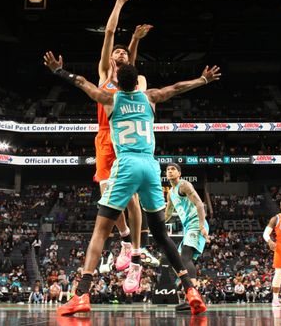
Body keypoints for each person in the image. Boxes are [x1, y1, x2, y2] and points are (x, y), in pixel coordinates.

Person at [43, 51, 219, 316]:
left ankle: (81, 294)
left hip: (126, 165)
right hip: (150, 166)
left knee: (101, 231)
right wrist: (203, 79)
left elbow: (81, 82)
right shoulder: (149, 98)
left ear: (118, 82)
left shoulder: (110, 99)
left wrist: (59, 71)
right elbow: (176, 88)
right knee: (161, 234)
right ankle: (190, 288)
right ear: (137, 81)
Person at [93, 0, 154, 291]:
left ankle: (136, 253)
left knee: (131, 198)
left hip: (128, 142)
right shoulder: (105, 72)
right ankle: (126, 240)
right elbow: (109, 33)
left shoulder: (133, 83)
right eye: (117, 53)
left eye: (124, 54)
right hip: (106, 139)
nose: (120, 55)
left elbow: (131, 62)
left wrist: (135, 42)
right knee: (108, 196)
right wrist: (118, 2)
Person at [164, 163, 210, 312]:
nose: (170, 171)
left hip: (196, 223)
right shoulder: (171, 192)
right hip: (188, 227)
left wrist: (202, 226)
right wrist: (156, 224)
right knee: (178, 260)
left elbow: (199, 204)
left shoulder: (184, 185)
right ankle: (190, 298)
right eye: (168, 170)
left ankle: (193, 295)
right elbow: (168, 213)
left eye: (173, 169)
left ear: (179, 173)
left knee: (185, 258)